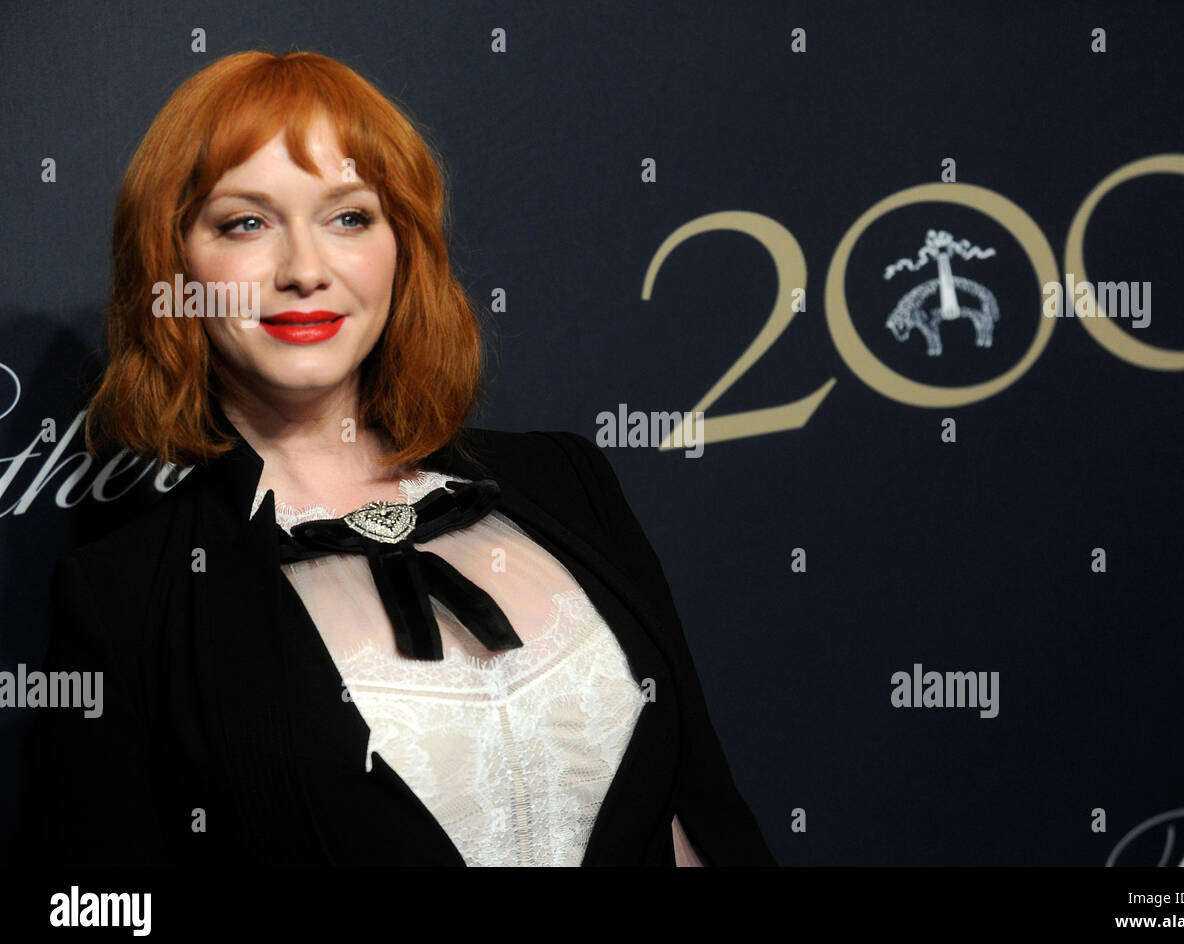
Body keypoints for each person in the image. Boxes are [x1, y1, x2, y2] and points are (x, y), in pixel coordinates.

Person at [19, 50, 775, 867]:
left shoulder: (569, 483)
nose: (304, 270)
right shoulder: (129, 599)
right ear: (175, 266)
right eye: (246, 222)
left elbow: (699, 820)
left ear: (403, 247)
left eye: (349, 217)